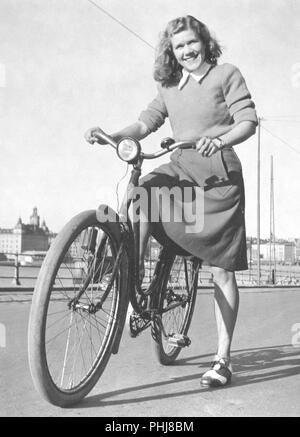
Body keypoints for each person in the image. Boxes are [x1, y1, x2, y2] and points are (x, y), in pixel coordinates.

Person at [85, 15, 258, 388]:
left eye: (191, 43)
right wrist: (115, 135)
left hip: (219, 175)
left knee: (220, 269)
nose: (186, 51)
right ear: (171, 51)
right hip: (181, 167)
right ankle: (137, 275)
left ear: (204, 42)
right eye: (179, 47)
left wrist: (224, 139)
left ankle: (222, 359)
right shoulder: (169, 85)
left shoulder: (226, 74)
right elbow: (146, 123)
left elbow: (247, 121)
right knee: (141, 192)